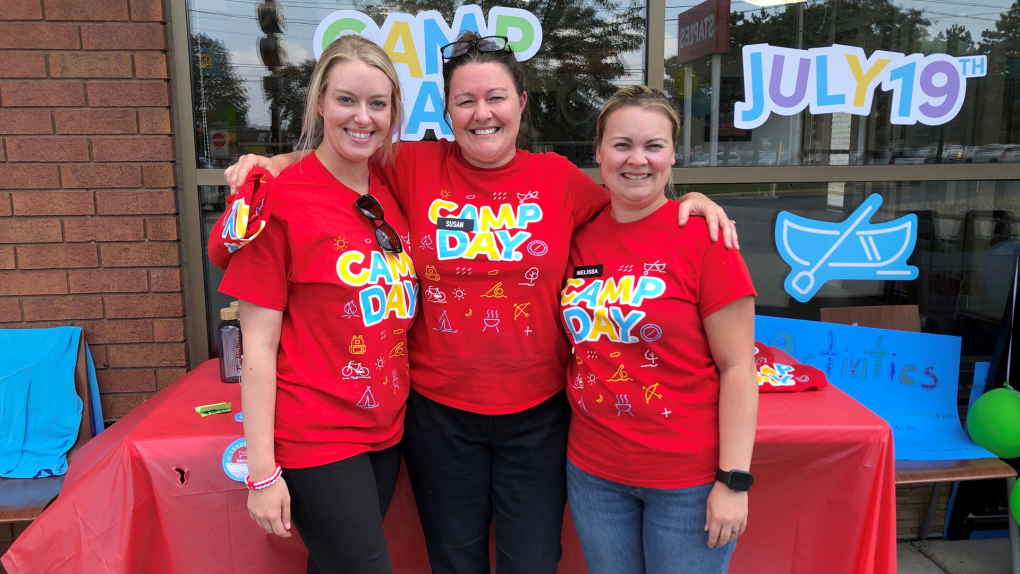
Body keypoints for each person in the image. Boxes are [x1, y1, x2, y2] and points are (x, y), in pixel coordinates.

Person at [217, 32, 740, 574]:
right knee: (454, 559)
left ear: (521, 105)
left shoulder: (557, 180)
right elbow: (341, 154)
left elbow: (634, 200)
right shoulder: (413, 166)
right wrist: (271, 163)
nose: (482, 113)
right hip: (437, 416)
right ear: (446, 112)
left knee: (532, 561)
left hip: (538, 415)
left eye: (496, 97)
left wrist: (692, 201)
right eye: (465, 101)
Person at [217, 35, 418, 574]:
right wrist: (261, 473)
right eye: (347, 100)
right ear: (320, 103)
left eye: (378, 104)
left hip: (384, 427)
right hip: (316, 435)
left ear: (394, 112)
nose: (362, 117)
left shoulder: (389, 192)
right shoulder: (279, 199)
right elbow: (257, 343)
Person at [560, 85, 758, 574]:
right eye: (622, 144)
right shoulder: (575, 234)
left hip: (686, 482)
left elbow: (738, 367)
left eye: (654, 146)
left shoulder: (707, 238)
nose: (638, 160)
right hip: (593, 473)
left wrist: (733, 482)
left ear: (673, 155)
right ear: (599, 153)